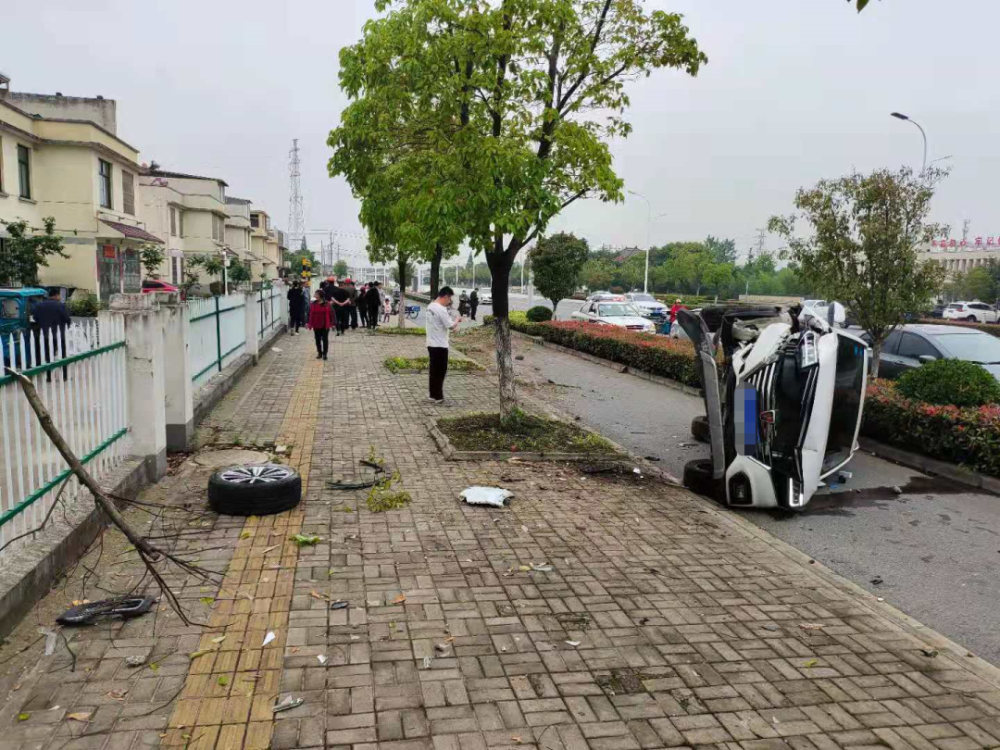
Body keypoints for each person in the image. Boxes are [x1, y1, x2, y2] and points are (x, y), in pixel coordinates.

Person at [425, 286, 461, 404]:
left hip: (431, 343)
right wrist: (457, 320)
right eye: (449, 298)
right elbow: (450, 325)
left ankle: (432, 395)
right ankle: (438, 397)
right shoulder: (441, 309)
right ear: (445, 296)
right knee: (440, 371)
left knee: (433, 371)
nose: (449, 301)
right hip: (440, 345)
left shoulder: (430, 306)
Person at [32, 288, 70, 382]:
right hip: (59, 335)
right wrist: (65, 328)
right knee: (62, 355)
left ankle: (49, 377)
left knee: (48, 356)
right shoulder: (60, 305)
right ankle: (64, 376)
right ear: (56, 295)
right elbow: (67, 319)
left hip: (45, 335)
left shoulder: (39, 305)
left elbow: (35, 318)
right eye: (59, 295)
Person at [307, 289, 334, 360]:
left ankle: (325, 353)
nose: (315, 295)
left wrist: (333, 323)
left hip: (325, 324)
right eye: (315, 294)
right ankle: (319, 352)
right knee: (317, 339)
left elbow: (332, 314)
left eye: (316, 294)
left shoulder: (327, 304)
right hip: (316, 324)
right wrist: (307, 323)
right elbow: (309, 314)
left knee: (325, 339)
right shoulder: (313, 304)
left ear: (320, 296)